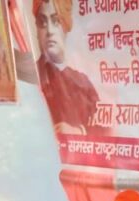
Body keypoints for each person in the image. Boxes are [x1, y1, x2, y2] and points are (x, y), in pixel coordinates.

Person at [35, 0, 100, 134]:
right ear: (37, 31)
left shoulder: (84, 84)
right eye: (42, 22)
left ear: (66, 26)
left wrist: (79, 132)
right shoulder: (30, 78)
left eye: (56, 21)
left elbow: (102, 127)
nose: (49, 31)